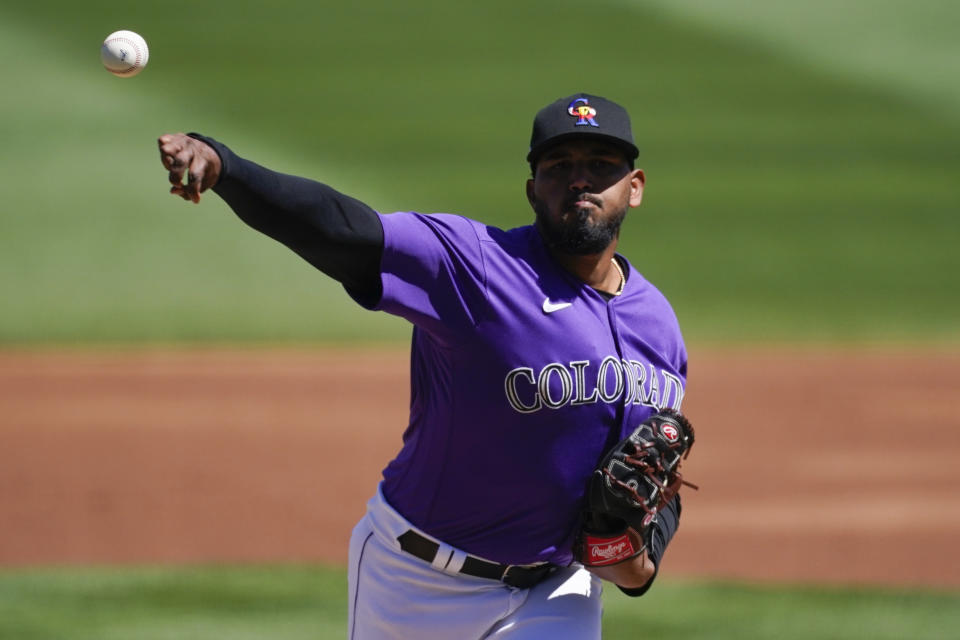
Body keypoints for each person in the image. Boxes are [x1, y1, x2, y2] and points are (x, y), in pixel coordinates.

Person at [157, 93, 688, 639]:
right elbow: (344, 230)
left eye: (601, 165)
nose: (580, 180)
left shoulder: (659, 326)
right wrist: (227, 168)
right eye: (559, 166)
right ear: (532, 190)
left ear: (635, 185)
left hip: (556, 591)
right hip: (416, 581)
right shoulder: (475, 266)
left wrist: (640, 564)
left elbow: (657, 472)